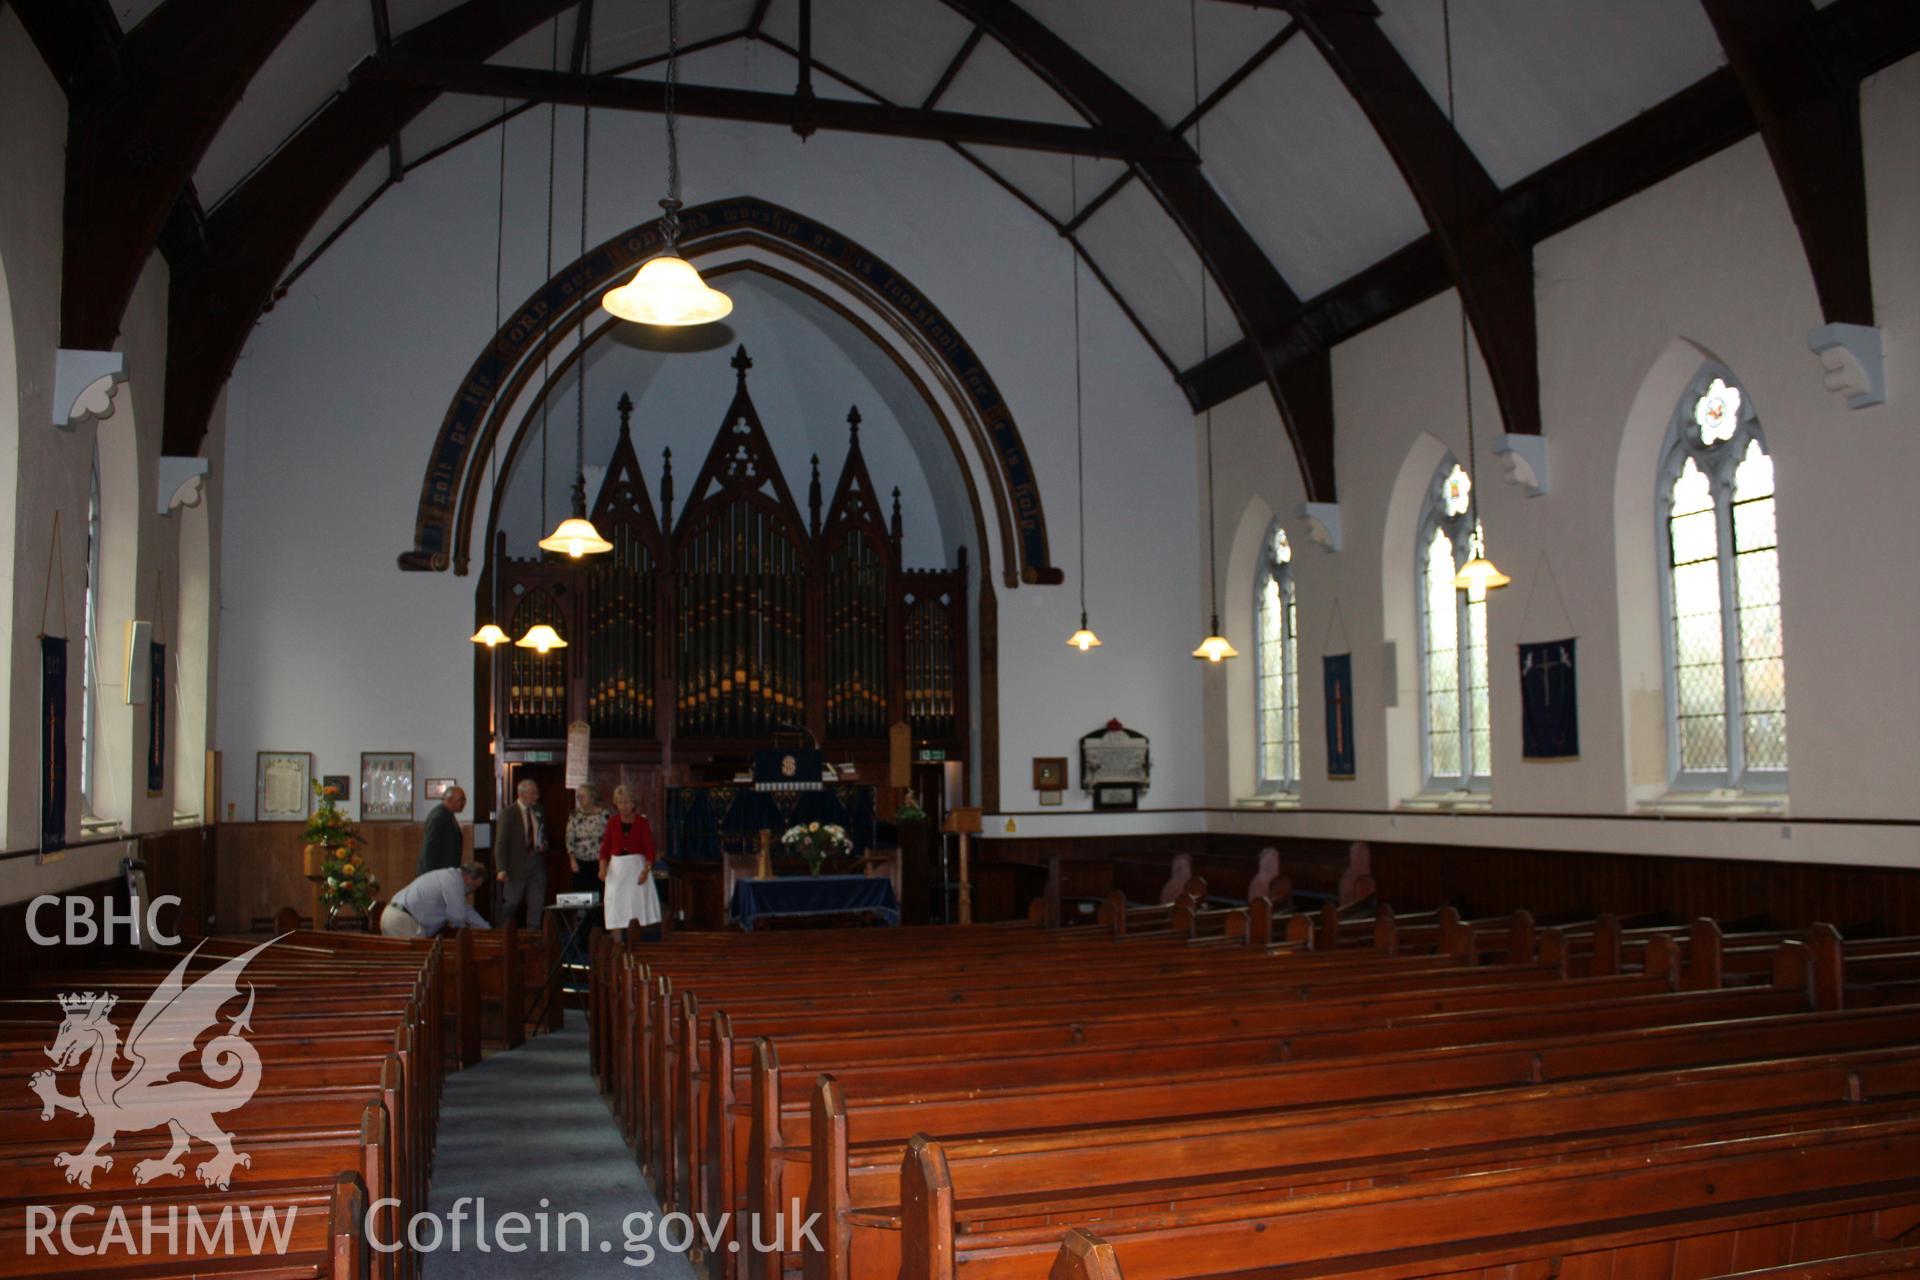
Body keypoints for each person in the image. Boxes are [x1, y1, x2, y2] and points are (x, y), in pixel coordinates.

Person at [599, 783, 661, 936]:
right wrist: (602, 868)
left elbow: (650, 851)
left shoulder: (642, 822)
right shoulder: (612, 822)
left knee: (636, 908)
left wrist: (645, 871)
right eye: (620, 802)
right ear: (616, 804)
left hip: (636, 869)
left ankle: (635, 948)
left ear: (633, 803)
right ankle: (618, 949)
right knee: (615, 909)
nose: (624, 806)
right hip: (617, 869)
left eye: (627, 802)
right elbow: (605, 848)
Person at [381, 861, 490, 938]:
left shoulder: (450, 877)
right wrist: (465, 935)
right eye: (474, 886)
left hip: (392, 915)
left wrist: (487, 929)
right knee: (417, 965)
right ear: (467, 878)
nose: (473, 890)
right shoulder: (454, 882)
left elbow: (466, 910)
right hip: (403, 921)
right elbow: (457, 916)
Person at [495, 777, 548, 928]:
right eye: (534, 794)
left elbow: (543, 833)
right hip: (515, 866)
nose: (537, 797)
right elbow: (501, 843)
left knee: (537, 904)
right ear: (523, 794)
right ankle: (502, 933)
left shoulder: (538, 810)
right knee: (511, 902)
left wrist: (544, 843)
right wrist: (501, 869)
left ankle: (533, 936)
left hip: (536, 864)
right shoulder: (509, 813)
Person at [565, 783, 610, 895]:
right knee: (581, 894)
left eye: (583, 796)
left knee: (599, 893)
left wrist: (607, 862)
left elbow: (610, 838)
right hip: (580, 862)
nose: (580, 799)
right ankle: (582, 913)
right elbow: (569, 838)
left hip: (599, 862)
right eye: (578, 797)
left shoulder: (604, 814)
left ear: (592, 797)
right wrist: (572, 860)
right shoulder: (574, 814)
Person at [415, 785, 466, 876]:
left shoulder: (446, 814)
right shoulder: (440, 817)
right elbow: (430, 848)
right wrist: (431, 876)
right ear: (449, 800)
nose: (463, 803)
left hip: (442, 872)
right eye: (461, 800)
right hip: (435, 873)